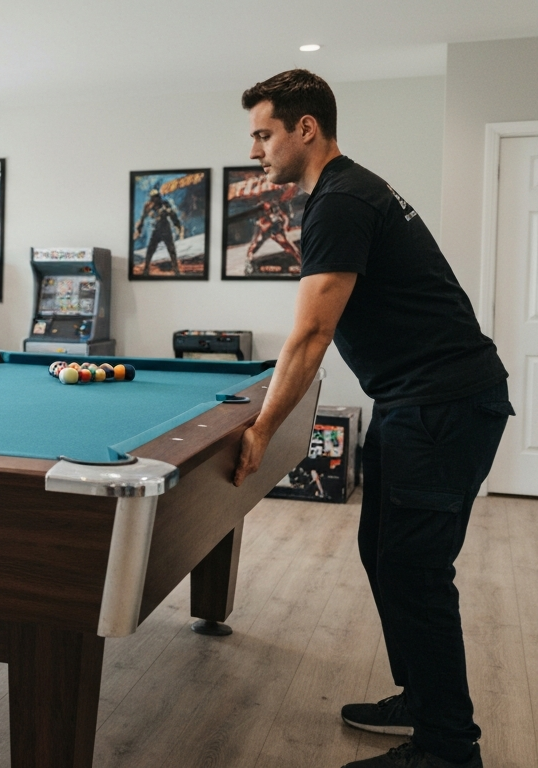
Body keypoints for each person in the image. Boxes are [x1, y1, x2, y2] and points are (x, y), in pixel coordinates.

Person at [232, 69, 512, 768]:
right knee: (382, 553)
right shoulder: (346, 191)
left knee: (415, 572)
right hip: (415, 400)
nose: (255, 150)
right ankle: (422, 698)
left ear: (306, 128)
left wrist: (262, 429)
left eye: (264, 135)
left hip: (441, 403)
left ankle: (448, 747)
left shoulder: (341, 200)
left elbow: (310, 334)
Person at [133, 188, 185, 275]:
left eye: (157, 197)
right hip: (156, 230)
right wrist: (139, 228)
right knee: (150, 250)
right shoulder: (149, 206)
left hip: (165, 229)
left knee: (171, 249)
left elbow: (172, 215)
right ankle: (146, 269)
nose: (156, 199)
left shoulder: (164, 204)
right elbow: (143, 218)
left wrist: (177, 225)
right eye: (154, 197)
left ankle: (176, 270)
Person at [245, 200, 303, 272]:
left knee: (290, 247)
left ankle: (300, 262)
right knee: (254, 245)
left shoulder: (275, 209)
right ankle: (249, 261)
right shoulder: (260, 214)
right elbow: (259, 226)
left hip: (276, 230)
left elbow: (284, 217)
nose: (267, 210)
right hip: (265, 230)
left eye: (268, 208)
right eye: (266, 209)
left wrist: (285, 226)